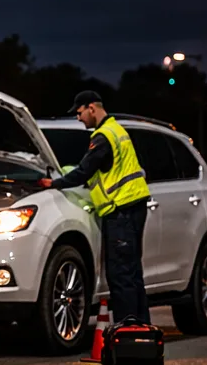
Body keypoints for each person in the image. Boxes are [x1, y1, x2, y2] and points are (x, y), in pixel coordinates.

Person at [42, 90, 152, 326]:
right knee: (132, 272)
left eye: (80, 113)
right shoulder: (117, 131)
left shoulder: (102, 137)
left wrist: (54, 183)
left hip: (121, 209)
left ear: (92, 108)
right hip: (133, 206)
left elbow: (84, 171)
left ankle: (127, 329)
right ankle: (141, 327)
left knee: (120, 274)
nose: (79, 118)